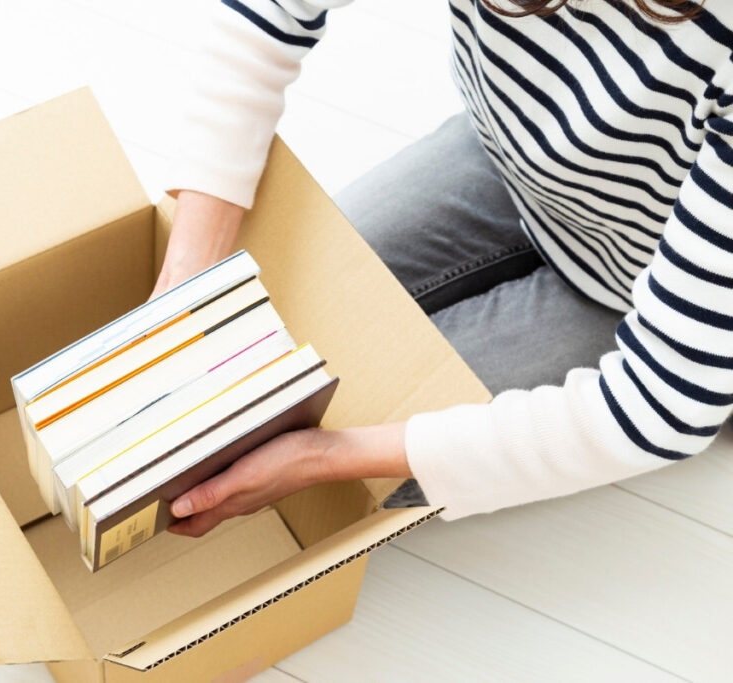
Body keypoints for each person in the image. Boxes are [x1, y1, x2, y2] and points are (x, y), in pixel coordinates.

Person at [157, 0, 733, 538]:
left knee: (337, 462)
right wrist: (186, 281)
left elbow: (661, 408)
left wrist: (320, 458)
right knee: (263, 324)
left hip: (646, 288)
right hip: (506, 160)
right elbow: (268, 11)